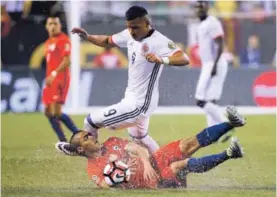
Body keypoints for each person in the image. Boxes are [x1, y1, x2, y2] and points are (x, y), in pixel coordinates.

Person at [65, 6, 189, 153]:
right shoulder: (129, 35)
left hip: (139, 105)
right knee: (140, 138)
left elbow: (184, 58)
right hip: (131, 99)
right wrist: (89, 37)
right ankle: (165, 168)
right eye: (129, 27)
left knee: (90, 122)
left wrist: (162, 59)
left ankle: (91, 156)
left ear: (147, 23)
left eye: (135, 27)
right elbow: (107, 41)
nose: (131, 31)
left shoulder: (159, 41)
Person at [56, 106, 246, 189]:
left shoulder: (111, 142)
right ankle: (229, 153)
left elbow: (138, 149)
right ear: (81, 149)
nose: (90, 135)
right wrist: (118, 176)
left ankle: (232, 124)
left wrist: (146, 163)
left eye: (88, 133)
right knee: (180, 165)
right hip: (154, 182)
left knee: (188, 143)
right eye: (85, 137)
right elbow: (105, 185)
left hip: (155, 161)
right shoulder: (93, 169)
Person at [193, 1, 230, 143]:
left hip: (214, 63)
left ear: (207, 8)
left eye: (201, 6)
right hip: (207, 64)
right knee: (209, 100)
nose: (198, 9)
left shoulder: (212, 22)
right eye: (196, 7)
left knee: (200, 100)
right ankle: (212, 132)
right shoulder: (201, 25)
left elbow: (220, 42)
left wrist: (214, 65)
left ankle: (226, 125)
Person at [43, 16, 78, 142]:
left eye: (55, 23)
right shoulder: (48, 42)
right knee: (47, 111)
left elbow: (67, 61)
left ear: (60, 26)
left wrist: (53, 73)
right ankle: (63, 140)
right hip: (51, 80)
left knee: (57, 112)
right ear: (46, 26)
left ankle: (78, 134)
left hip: (60, 79)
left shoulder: (63, 40)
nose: (53, 26)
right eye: (50, 23)